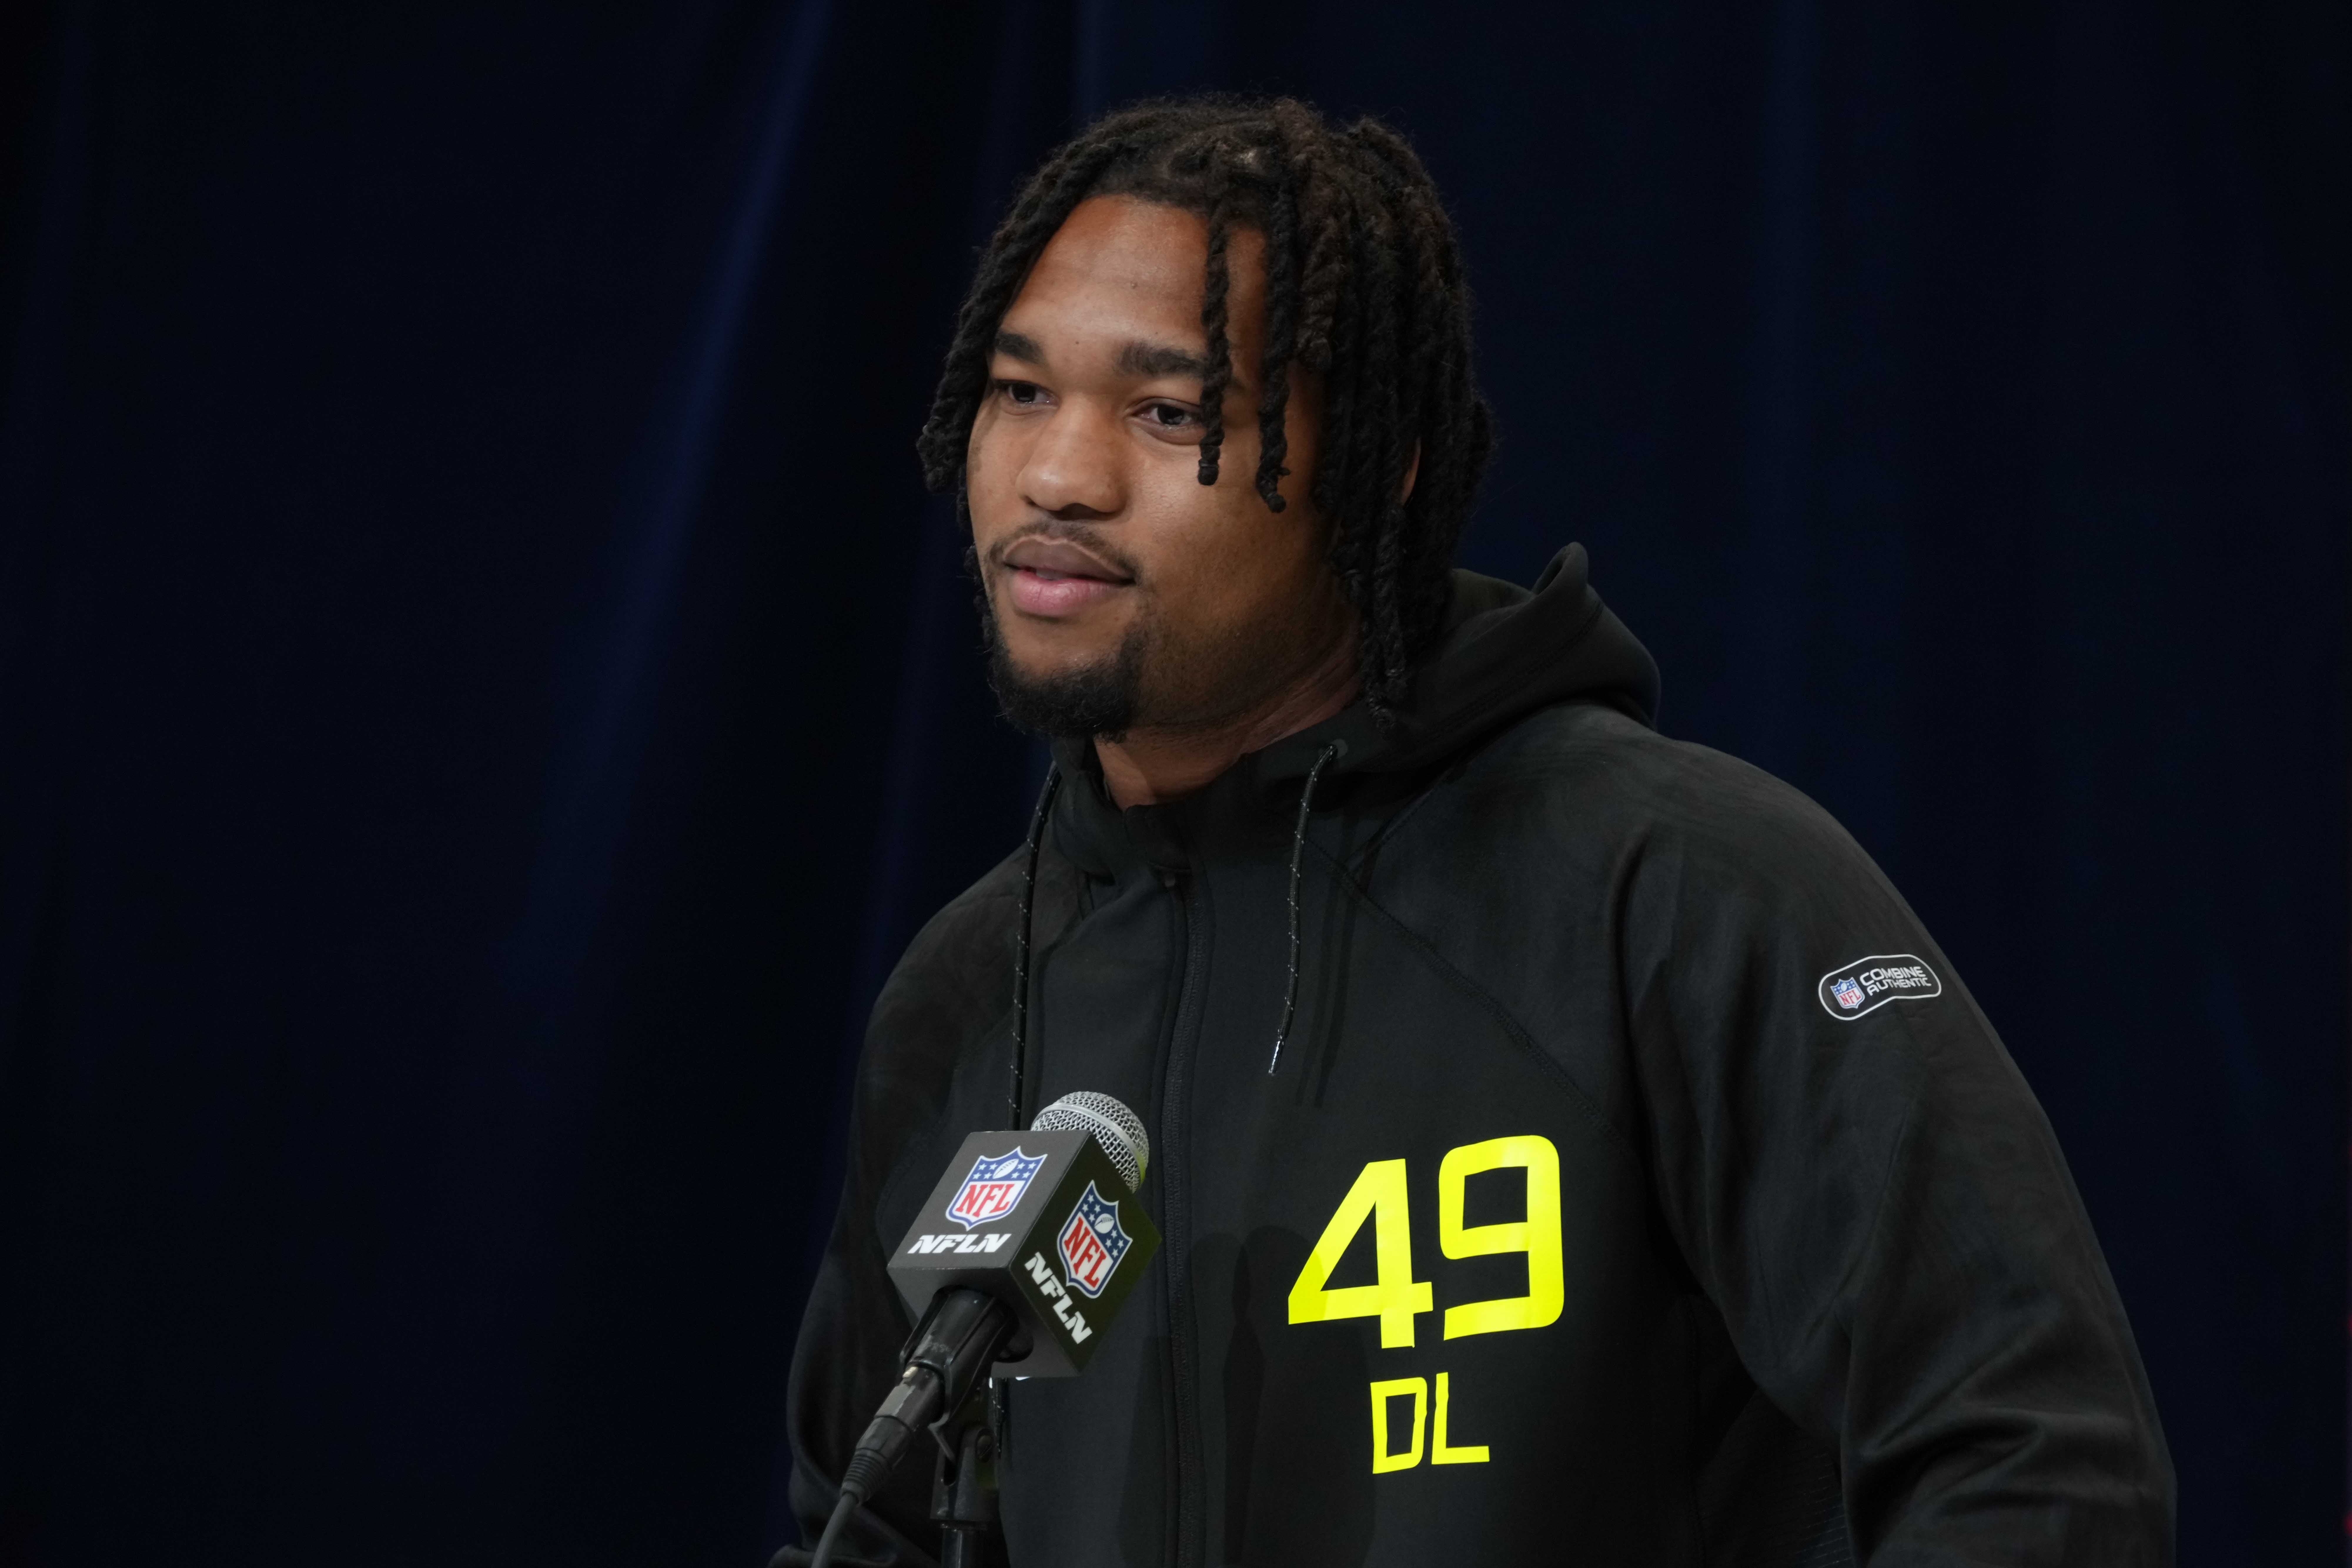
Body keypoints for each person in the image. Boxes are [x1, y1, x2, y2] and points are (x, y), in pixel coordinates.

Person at [781, 95, 2171, 1567]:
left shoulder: (1673, 885)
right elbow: (865, 1527)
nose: (1059, 476)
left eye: (1170, 410)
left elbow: (2033, 1463)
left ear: (1375, 466)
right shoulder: (968, 994)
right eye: (1017, 392)